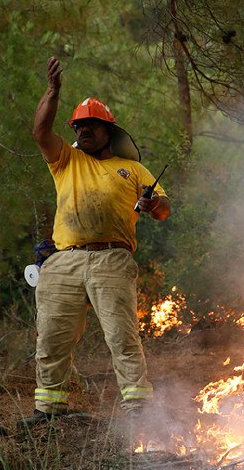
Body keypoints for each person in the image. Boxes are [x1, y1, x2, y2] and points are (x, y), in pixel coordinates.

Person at [18, 56, 171, 428]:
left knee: (122, 337)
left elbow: (164, 207)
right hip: (64, 261)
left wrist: (153, 204)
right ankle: (48, 414)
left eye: (91, 125)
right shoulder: (65, 159)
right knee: (51, 339)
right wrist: (52, 91)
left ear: (108, 130)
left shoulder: (132, 169)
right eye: (79, 125)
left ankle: (139, 414)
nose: (84, 129)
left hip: (112, 261)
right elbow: (40, 131)